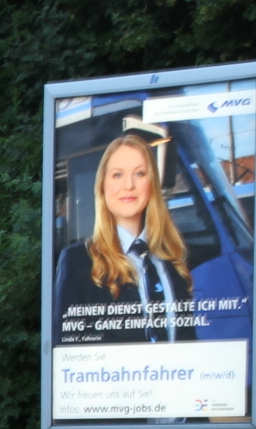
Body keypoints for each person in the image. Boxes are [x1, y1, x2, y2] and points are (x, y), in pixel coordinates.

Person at [53, 131, 195, 344]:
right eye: (118, 175)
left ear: (152, 184)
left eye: (139, 173)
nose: (129, 185)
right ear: (103, 186)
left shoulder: (173, 259)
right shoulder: (77, 260)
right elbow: (65, 348)